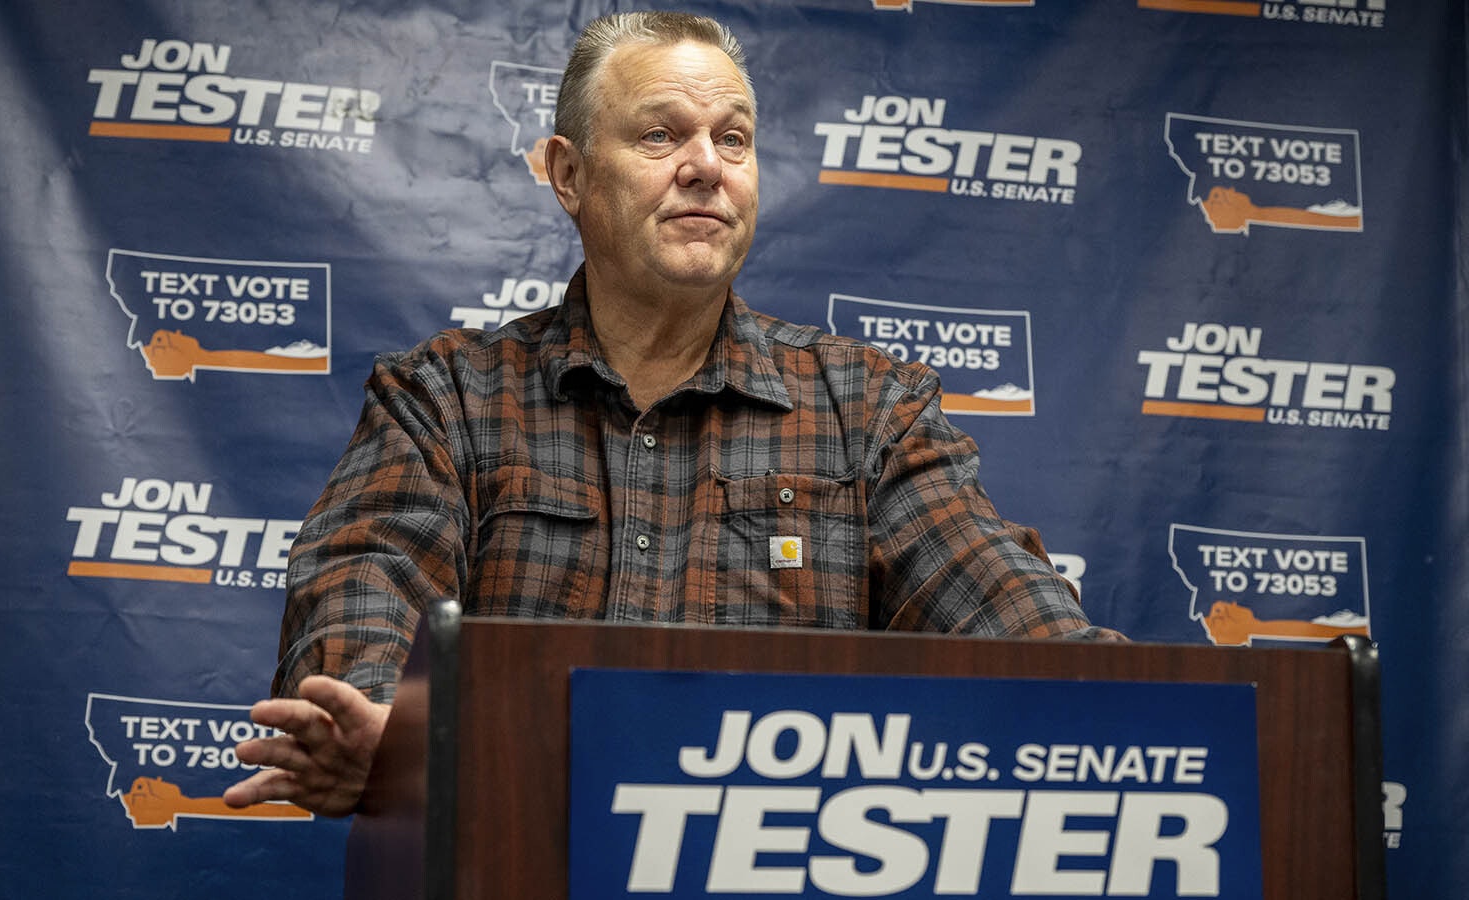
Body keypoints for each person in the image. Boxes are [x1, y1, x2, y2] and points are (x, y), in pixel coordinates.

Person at [223, 11, 1119, 818]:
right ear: (569, 175)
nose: (705, 167)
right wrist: (381, 720)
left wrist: (1152, 708)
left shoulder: (871, 414)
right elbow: (365, 586)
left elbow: (1019, 622)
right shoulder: (447, 399)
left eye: (734, 139)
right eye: (661, 134)